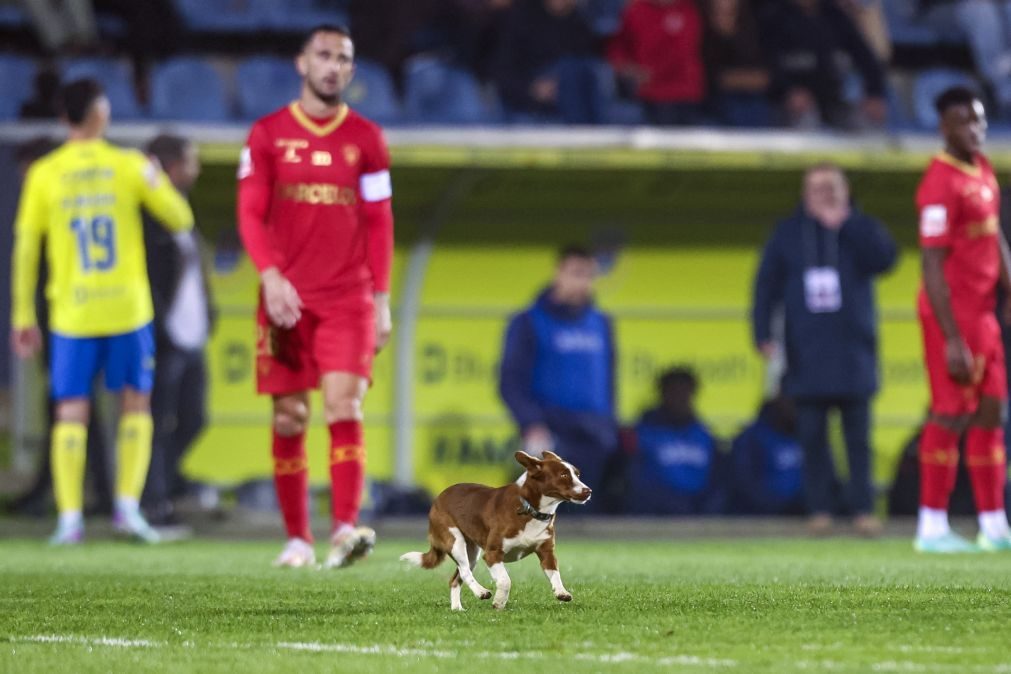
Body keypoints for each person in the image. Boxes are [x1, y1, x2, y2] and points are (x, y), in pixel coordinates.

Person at [237, 24, 395, 569]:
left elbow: (379, 222)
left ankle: (344, 531)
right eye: (323, 56)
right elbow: (250, 213)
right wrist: (270, 275)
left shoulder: (368, 140)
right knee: (289, 418)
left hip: (348, 298)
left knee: (344, 405)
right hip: (285, 300)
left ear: (351, 70)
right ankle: (298, 539)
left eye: (343, 58)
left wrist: (382, 297)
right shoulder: (267, 134)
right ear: (302, 64)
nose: (333, 66)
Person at [10, 78, 194, 544]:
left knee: (70, 412)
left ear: (62, 119)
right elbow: (180, 219)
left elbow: (27, 249)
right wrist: (155, 175)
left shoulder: (45, 174)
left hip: (72, 313)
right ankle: (128, 511)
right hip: (127, 311)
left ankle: (69, 520)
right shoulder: (129, 166)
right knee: (135, 405)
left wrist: (21, 316)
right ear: (100, 114)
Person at [752, 162, 897, 536]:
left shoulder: (860, 227)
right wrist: (762, 332)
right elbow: (765, 286)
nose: (825, 194)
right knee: (812, 438)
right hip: (806, 353)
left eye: (832, 187)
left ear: (845, 190)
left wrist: (845, 222)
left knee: (857, 441)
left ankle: (863, 509)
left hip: (854, 352)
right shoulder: (787, 233)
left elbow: (886, 259)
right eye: (817, 188)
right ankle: (820, 510)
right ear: (805, 194)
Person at [914, 86, 1011, 552]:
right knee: (951, 413)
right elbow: (930, 263)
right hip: (952, 314)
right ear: (943, 127)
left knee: (992, 412)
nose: (974, 130)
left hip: (986, 313)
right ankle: (931, 526)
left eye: (979, 120)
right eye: (963, 121)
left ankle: (994, 526)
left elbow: (995, 238)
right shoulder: (939, 183)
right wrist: (951, 336)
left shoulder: (984, 169)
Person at [498, 245, 617, 503]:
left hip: (595, 433)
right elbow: (510, 380)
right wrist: (531, 424)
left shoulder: (601, 323)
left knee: (591, 511)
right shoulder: (528, 321)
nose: (582, 282)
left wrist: (610, 424)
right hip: (552, 431)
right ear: (558, 273)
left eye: (588, 275)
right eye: (576, 273)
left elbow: (608, 381)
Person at [142, 133, 214, 526]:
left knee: (194, 418)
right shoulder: (151, 215)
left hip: (192, 336)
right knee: (156, 419)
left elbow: (195, 271)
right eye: (190, 160)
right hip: (164, 337)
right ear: (170, 166)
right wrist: (160, 323)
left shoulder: (186, 207)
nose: (196, 168)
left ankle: (161, 486)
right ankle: (153, 502)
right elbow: (151, 276)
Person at [758, 0, 887, 129]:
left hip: (832, 101)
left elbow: (866, 57)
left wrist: (874, 93)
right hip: (788, 103)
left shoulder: (834, 15)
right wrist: (788, 91)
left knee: (867, 121)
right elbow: (769, 64)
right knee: (804, 118)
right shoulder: (774, 15)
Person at [626, 366, 727, 515]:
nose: (679, 398)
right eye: (674, 392)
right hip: (656, 514)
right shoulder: (644, 433)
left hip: (699, 512)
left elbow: (718, 481)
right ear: (662, 394)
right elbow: (636, 479)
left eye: (684, 392)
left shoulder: (704, 435)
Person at [493, 0, 605, 124]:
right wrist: (533, 89)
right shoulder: (521, 19)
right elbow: (503, 74)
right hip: (531, 107)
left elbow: (590, 70)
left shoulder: (580, 23)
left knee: (583, 70)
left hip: (573, 102)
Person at [607, 0, 706, 126]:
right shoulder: (635, 11)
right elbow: (616, 50)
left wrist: (653, 74)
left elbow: (682, 53)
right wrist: (627, 69)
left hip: (686, 91)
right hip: (650, 94)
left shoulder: (690, 10)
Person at [728, 394, 806, 515]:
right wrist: (772, 506)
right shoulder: (752, 437)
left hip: (803, 512)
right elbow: (744, 481)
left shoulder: (809, 436)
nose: (794, 407)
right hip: (760, 513)